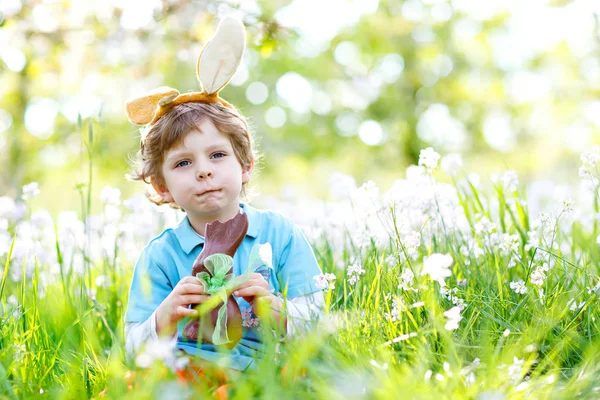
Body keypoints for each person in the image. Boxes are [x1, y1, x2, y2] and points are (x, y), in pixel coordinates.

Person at [122, 16, 325, 372]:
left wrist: (276, 310)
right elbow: (132, 351)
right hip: (187, 371)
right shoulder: (160, 256)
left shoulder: (280, 235)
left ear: (244, 165)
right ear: (161, 186)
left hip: (266, 372)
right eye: (183, 163)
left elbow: (318, 328)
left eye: (217, 155)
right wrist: (164, 316)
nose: (204, 170)